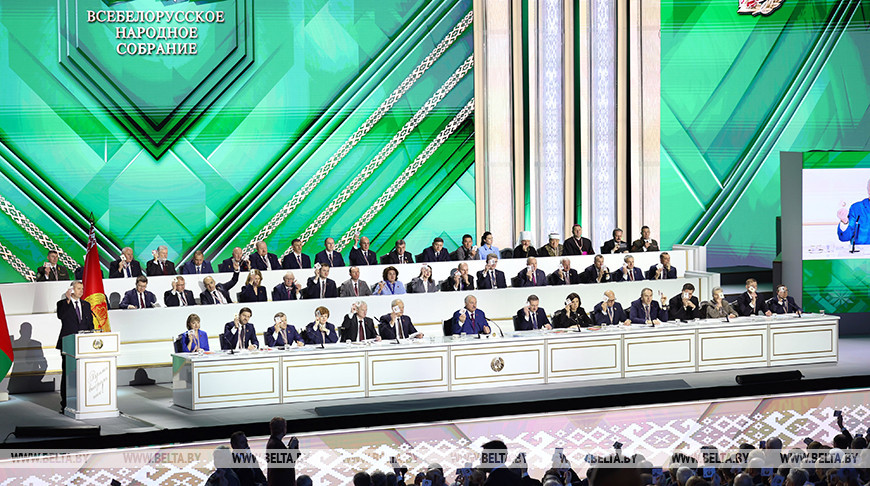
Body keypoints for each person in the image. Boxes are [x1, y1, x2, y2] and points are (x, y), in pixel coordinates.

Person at [56, 281, 94, 412]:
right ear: (71, 290)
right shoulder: (62, 304)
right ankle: (66, 403)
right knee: (68, 373)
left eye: (82, 289)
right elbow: (61, 316)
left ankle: (84, 401)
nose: (81, 291)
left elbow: (90, 325)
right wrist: (67, 300)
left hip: (84, 345)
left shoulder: (86, 304)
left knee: (84, 373)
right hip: (68, 344)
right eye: (78, 288)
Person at [265, 417, 299, 486]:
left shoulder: (274, 443)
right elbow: (285, 464)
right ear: (282, 429)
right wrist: (291, 447)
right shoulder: (276, 445)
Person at [836, 178, 870, 245]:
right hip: (862, 251)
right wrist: (845, 222)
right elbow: (844, 237)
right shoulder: (857, 208)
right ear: (868, 190)